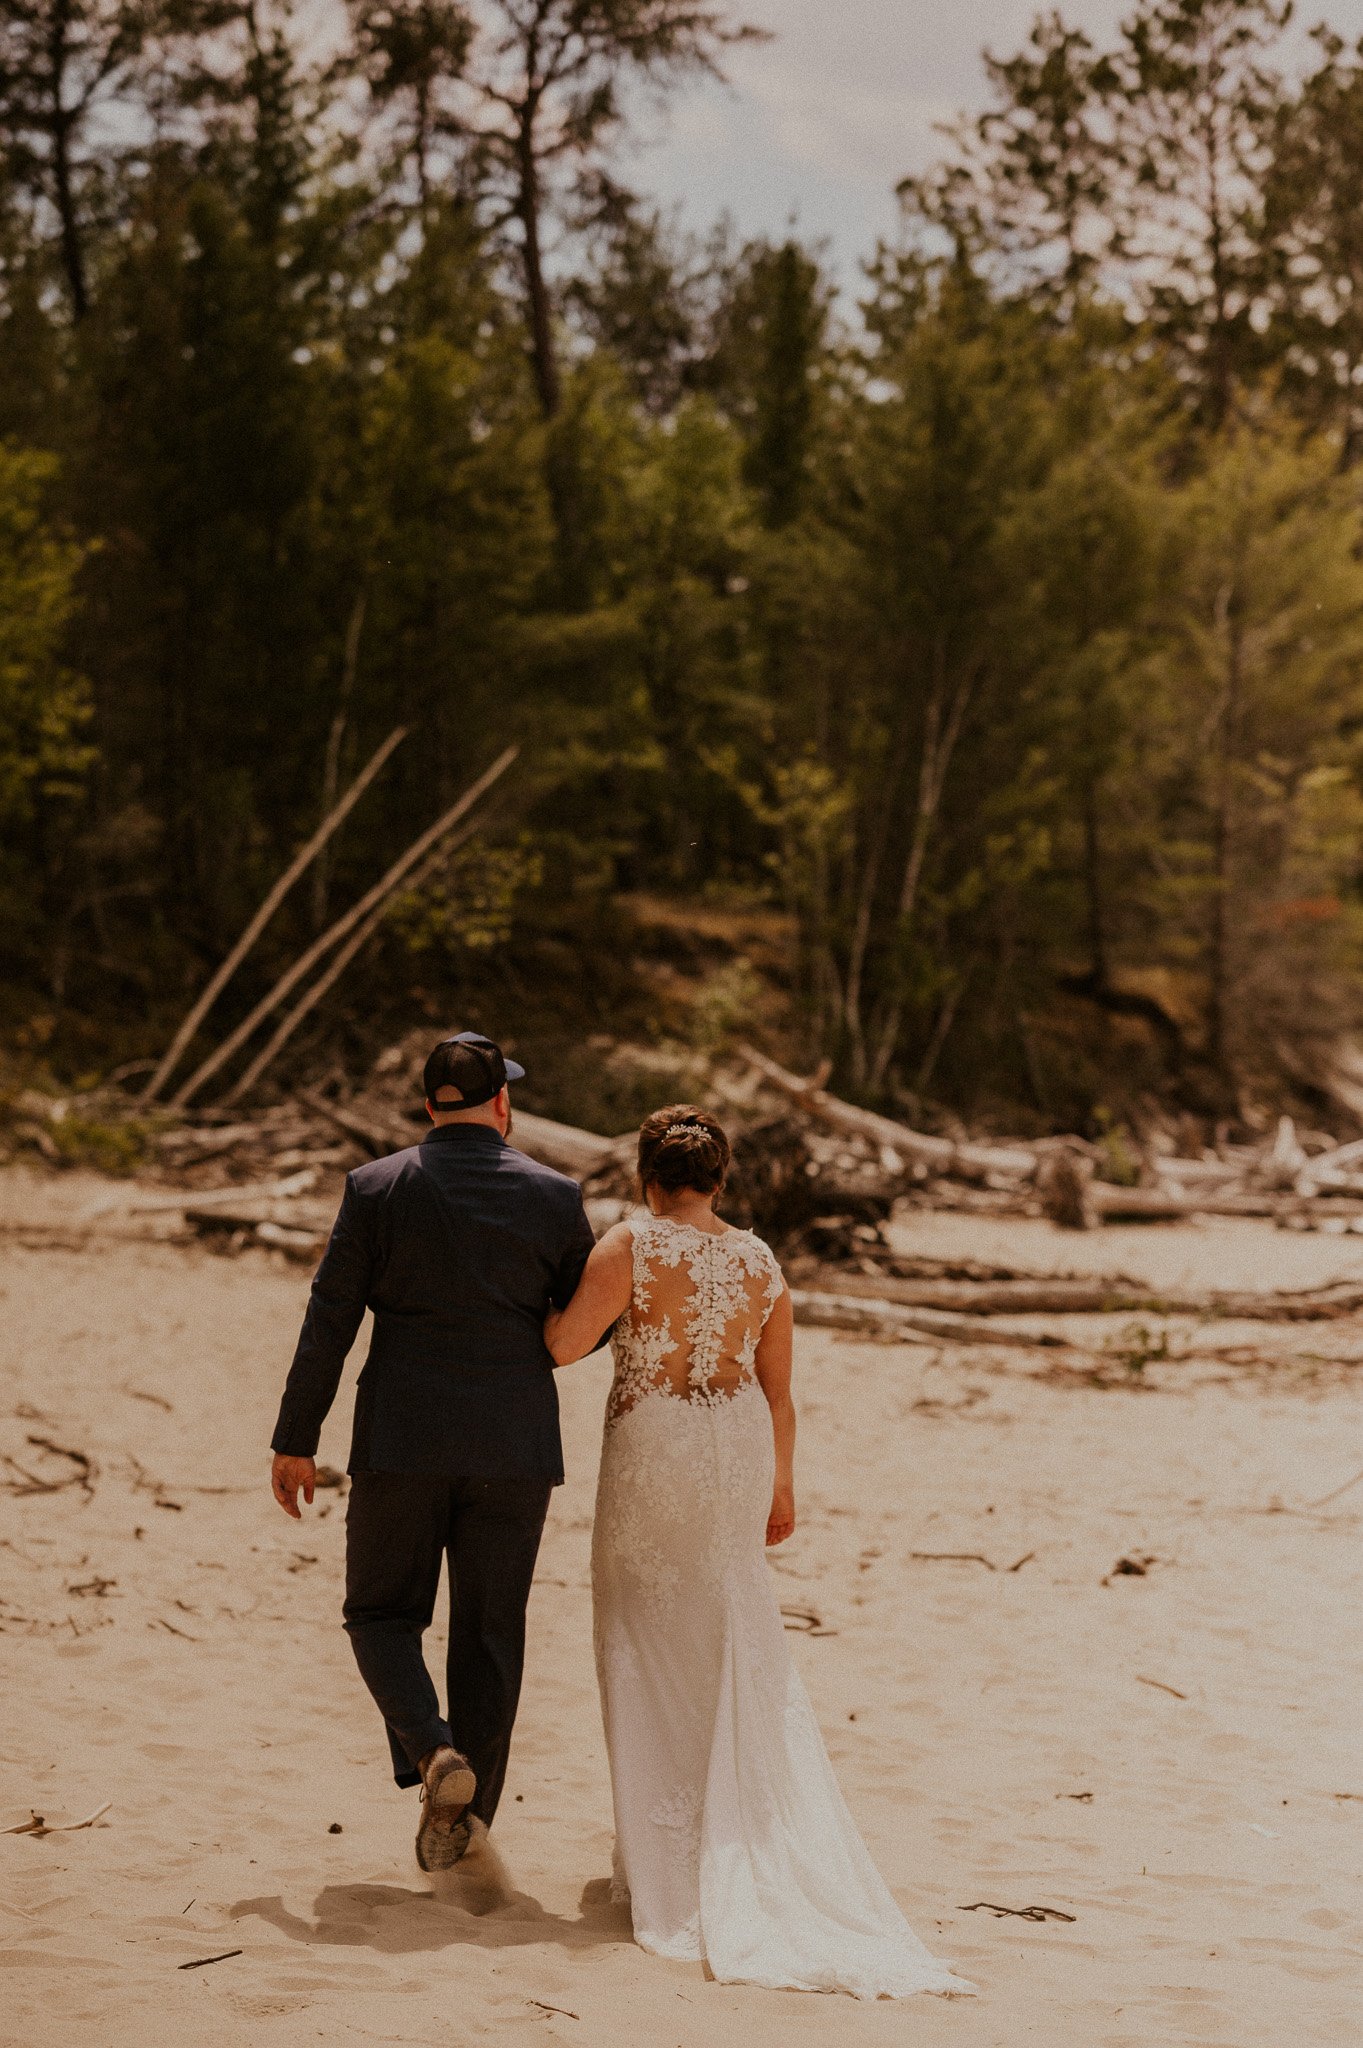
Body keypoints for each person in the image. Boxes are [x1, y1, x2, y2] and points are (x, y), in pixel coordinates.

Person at [544, 1105, 974, 2000]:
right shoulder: (759, 1260)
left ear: (644, 1176)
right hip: (736, 1448)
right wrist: (782, 1486)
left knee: (638, 1634)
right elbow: (780, 1393)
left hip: (655, 1446)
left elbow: (560, 1343)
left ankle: (662, 1853)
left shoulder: (629, 1245)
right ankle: (720, 1829)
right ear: (722, 1180)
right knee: (729, 1629)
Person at [268, 1031, 596, 1873]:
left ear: (427, 1106)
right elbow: (583, 1325)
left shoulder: (375, 1188)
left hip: (403, 1438)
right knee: (489, 1634)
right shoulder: (555, 1196)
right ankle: (464, 1825)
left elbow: (329, 1319)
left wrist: (295, 1438)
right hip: (516, 1445)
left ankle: (430, 1752)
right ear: (502, 1105)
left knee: (379, 1613)